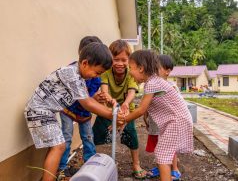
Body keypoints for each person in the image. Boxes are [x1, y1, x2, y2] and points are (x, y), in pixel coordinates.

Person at [24, 42, 114, 181]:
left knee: (56, 145)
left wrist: (101, 101)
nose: (96, 77)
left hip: (47, 112)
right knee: (59, 146)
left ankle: (49, 177)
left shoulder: (78, 75)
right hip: (39, 110)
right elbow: (87, 103)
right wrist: (111, 114)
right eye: (97, 72)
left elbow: (87, 98)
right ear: (85, 63)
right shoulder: (71, 73)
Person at [118, 50, 193, 181]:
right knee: (163, 152)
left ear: (141, 68)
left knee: (162, 154)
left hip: (176, 121)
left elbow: (141, 109)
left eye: (131, 68)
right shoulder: (154, 82)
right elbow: (145, 108)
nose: (129, 71)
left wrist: (124, 119)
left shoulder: (152, 83)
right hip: (176, 120)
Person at [92, 39, 147, 179]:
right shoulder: (106, 73)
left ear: (129, 60)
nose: (120, 63)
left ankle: (136, 164)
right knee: (95, 134)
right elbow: (104, 91)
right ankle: (92, 161)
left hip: (126, 110)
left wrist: (125, 104)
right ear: (110, 59)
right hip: (108, 109)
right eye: (116, 59)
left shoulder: (131, 73)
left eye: (124, 60)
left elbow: (131, 92)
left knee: (132, 136)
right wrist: (112, 102)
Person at [57, 36, 103, 177]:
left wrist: (97, 97)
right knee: (67, 136)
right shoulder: (72, 71)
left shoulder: (96, 77)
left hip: (84, 112)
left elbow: (91, 96)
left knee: (88, 137)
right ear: (81, 55)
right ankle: (62, 168)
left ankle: (90, 165)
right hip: (68, 109)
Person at [144, 55, 181, 180]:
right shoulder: (152, 84)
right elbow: (148, 102)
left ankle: (175, 169)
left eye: (157, 68)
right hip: (155, 123)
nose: (154, 71)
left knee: (170, 147)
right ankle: (161, 167)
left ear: (167, 71)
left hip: (168, 123)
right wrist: (145, 115)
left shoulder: (171, 87)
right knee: (158, 147)